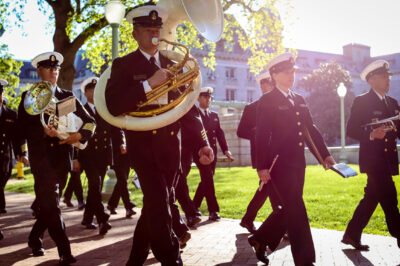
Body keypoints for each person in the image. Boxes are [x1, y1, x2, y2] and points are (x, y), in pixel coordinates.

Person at [105, 3, 213, 265]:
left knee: (158, 204)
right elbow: (112, 105)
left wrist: (202, 143)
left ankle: (135, 260)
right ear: (134, 34)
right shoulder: (124, 64)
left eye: (157, 28)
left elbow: (186, 108)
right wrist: (147, 85)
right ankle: (172, 260)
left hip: (170, 147)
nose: (155, 33)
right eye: (148, 29)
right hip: (142, 146)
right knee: (160, 203)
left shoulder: (172, 63)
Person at [249, 52, 336, 265]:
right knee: (297, 209)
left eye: (293, 72)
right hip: (279, 164)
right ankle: (306, 261)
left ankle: (260, 239)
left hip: (298, 164)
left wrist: (325, 154)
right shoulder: (268, 100)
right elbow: (261, 135)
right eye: (287, 72)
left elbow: (311, 129)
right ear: (274, 75)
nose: (291, 76)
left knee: (290, 207)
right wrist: (261, 167)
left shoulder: (298, 99)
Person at [17, 51, 96, 265]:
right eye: (49, 68)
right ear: (39, 71)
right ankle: (65, 251)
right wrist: (42, 132)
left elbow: (90, 122)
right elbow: (20, 130)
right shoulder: (28, 98)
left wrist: (78, 136)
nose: (54, 71)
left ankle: (34, 238)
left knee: (49, 205)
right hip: (42, 161)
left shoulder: (67, 97)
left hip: (63, 160)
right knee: (52, 205)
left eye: (56, 68)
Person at [342, 59, 400, 250]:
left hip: (388, 161)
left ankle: (351, 234)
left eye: (388, 77)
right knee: (391, 200)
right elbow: (351, 130)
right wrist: (371, 134)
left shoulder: (393, 103)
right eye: (384, 77)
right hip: (374, 161)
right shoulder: (362, 101)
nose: (388, 80)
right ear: (372, 80)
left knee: (371, 198)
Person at [237, 71, 274, 233]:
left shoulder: (278, 105)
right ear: (261, 86)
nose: (267, 87)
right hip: (262, 155)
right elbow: (241, 131)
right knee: (268, 187)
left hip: (277, 153)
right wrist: (258, 133)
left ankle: (248, 219)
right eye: (264, 85)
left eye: (269, 84)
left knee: (268, 187)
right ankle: (282, 225)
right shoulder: (251, 108)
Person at [78, 77, 112, 234]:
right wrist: (75, 158)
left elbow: (114, 130)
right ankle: (102, 218)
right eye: (90, 89)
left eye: (96, 89)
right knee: (94, 183)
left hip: (103, 155)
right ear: (85, 93)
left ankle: (87, 217)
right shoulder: (80, 110)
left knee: (95, 188)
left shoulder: (105, 109)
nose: (94, 92)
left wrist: (121, 144)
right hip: (88, 155)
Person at [191, 87, 232, 221]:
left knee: (207, 179)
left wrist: (225, 149)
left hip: (212, 153)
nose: (208, 99)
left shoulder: (214, 115)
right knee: (208, 178)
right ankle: (213, 210)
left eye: (209, 97)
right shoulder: (193, 114)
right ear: (198, 98)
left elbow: (219, 133)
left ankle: (193, 206)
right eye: (204, 97)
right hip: (200, 153)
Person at [0, 79, 27, 214]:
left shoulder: (11, 114)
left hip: (5, 158)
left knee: (2, 182)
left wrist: (22, 154)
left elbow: (18, 137)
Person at [107, 127, 136, 218]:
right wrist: (121, 144)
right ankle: (128, 207)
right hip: (117, 158)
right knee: (122, 181)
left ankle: (112, 204)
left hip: (126, 158)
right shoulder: (113, 124)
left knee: (121, 182)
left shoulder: (127, 125)